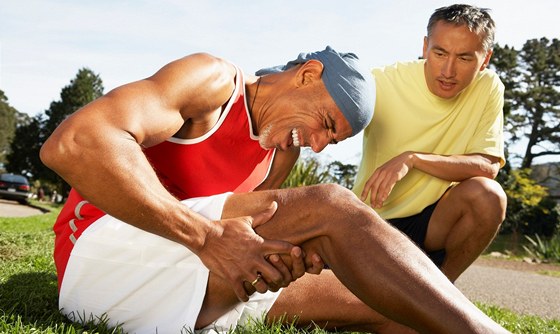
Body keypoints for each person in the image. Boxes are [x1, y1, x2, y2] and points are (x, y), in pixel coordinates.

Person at [40, 46, 508, 334]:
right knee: (329, 204)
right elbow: (75, 144)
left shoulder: (282, 153)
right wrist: (205, 238)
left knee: (399, 308)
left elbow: (248, 239)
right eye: (326, 124)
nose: (319, 145)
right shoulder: (214, 81)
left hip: (182, 286)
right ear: (307, 75)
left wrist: (285, 257)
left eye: (334, 140)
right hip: (99, 262)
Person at [353, 4, 508, 282]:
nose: (448, 70)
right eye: (439, 53)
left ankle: (441, 299)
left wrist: (412, 159)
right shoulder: (383, 81)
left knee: (488, 196)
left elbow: (487, 166)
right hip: (371, 221)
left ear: (485, 60)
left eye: (464, 58)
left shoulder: (489, 88)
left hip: (432, 225)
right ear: (425, 47)